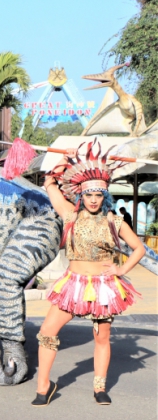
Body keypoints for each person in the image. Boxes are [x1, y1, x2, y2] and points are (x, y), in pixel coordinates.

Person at [34, 141, 145, 406]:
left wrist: (121, 269)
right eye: (88, 195)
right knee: (48, 332)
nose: (93, 200)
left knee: (102, 337)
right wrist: (66, 160)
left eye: (98, 196)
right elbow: (49, 182)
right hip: (73, 285)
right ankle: (43, 387)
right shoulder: (70, 215)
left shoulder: (114, 221)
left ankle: (99, 387)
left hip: (104, 286)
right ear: (81, 196)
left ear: (104, 196)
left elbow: (139, 248)